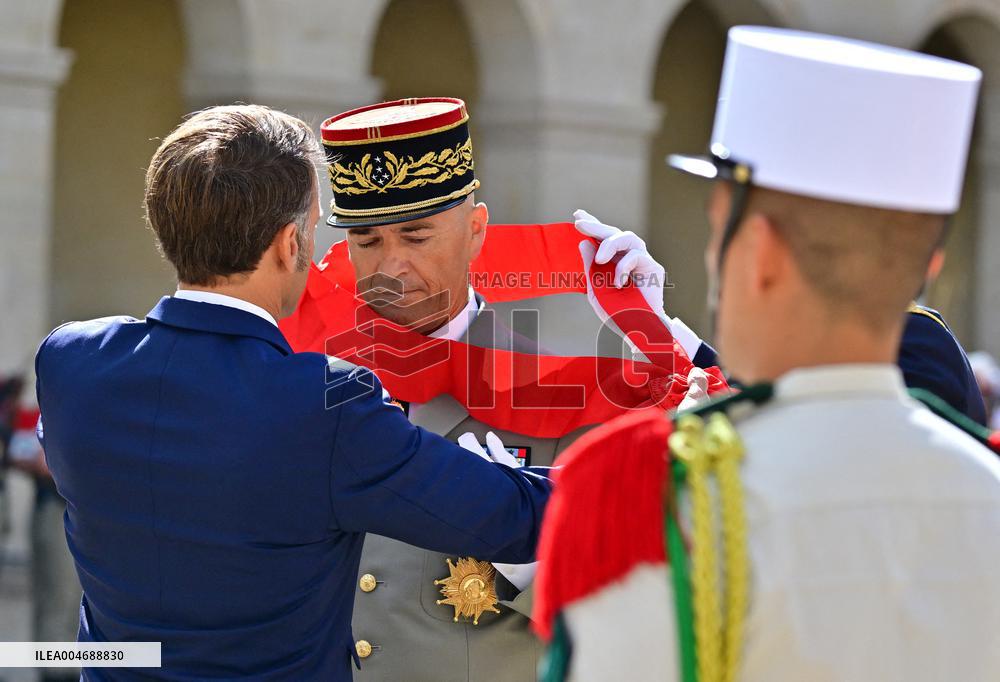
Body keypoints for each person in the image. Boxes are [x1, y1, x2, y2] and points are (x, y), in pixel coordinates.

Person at [533, 27, 1000, 682]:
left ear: (761, 251)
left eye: (714, 229)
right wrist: (663, 331)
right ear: (929, 262)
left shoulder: (646, 506)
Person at [33, 105, 552, 681]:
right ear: (288, 245)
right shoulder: (323, 400)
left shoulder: (70, 363)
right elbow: (527, 516)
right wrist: (669, 406)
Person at [311, 97, 685, 681]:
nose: (390, 268)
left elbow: (624, 612)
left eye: (416, 237)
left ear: (476, 231)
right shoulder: (313, 377)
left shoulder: (557, 394)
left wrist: (539, 559)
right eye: (367, 243)